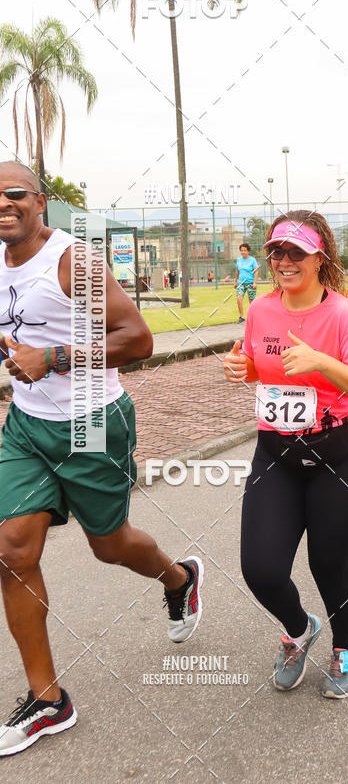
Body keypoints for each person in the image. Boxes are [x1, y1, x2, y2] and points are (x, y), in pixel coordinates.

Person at [0, 162, 203, 757]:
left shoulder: (72, 260)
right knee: (11, 548)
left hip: (92, 422)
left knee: (109, 544)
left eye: (14, 194)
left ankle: (179, 578)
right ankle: (47, 700)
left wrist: (55, 358)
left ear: (40, 201)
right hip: (28, 424)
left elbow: (138, 340)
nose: (2, 205)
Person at [223, 210, 348, 699]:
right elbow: (263, 369)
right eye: (277, 251)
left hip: (343, 454)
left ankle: (346, 647)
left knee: (329, 566)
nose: (284, 260)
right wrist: (243, 368)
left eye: (297, 252)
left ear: (320, 258)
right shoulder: (261, 310)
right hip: (277, 452)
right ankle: (298, 628)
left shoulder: (343, 315)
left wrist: (322, 361)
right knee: (261, 568)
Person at [233, 242, 259, 323]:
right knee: (239, 298)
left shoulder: (252, 260)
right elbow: (237, 271)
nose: (243, 252)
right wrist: (235, 281)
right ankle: (241, 316)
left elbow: (256, 271)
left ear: (248, 251)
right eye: (241, 250)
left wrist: (255, 282)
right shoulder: (239, 260)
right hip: (241, 283)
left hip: (251, 283)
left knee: (251, 301)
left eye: (245, 250)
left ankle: (253, 317)